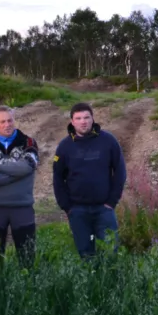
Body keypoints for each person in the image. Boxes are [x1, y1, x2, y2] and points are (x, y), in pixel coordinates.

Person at [52, 102, 127, 258]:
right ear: (72, 121)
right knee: (86, 255)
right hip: (77, 211)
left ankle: (109, 281)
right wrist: (67, 207)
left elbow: (120, 171)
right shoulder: (64, 146)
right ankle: (91, 282)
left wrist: (111, 202)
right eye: (78, 118)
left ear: (93, 119)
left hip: (104, 209)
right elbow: (58, 178)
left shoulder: (108, 141)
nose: (83, 121)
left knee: (110, 253)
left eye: (86, 117)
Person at [0, 105, 39, 268]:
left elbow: (28, 166)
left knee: (27, 256)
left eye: (10, 120)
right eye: (2, 121)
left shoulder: (28, 142)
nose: (7, 124)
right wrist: (16, 174)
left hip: (22, 207)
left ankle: (28, 289)